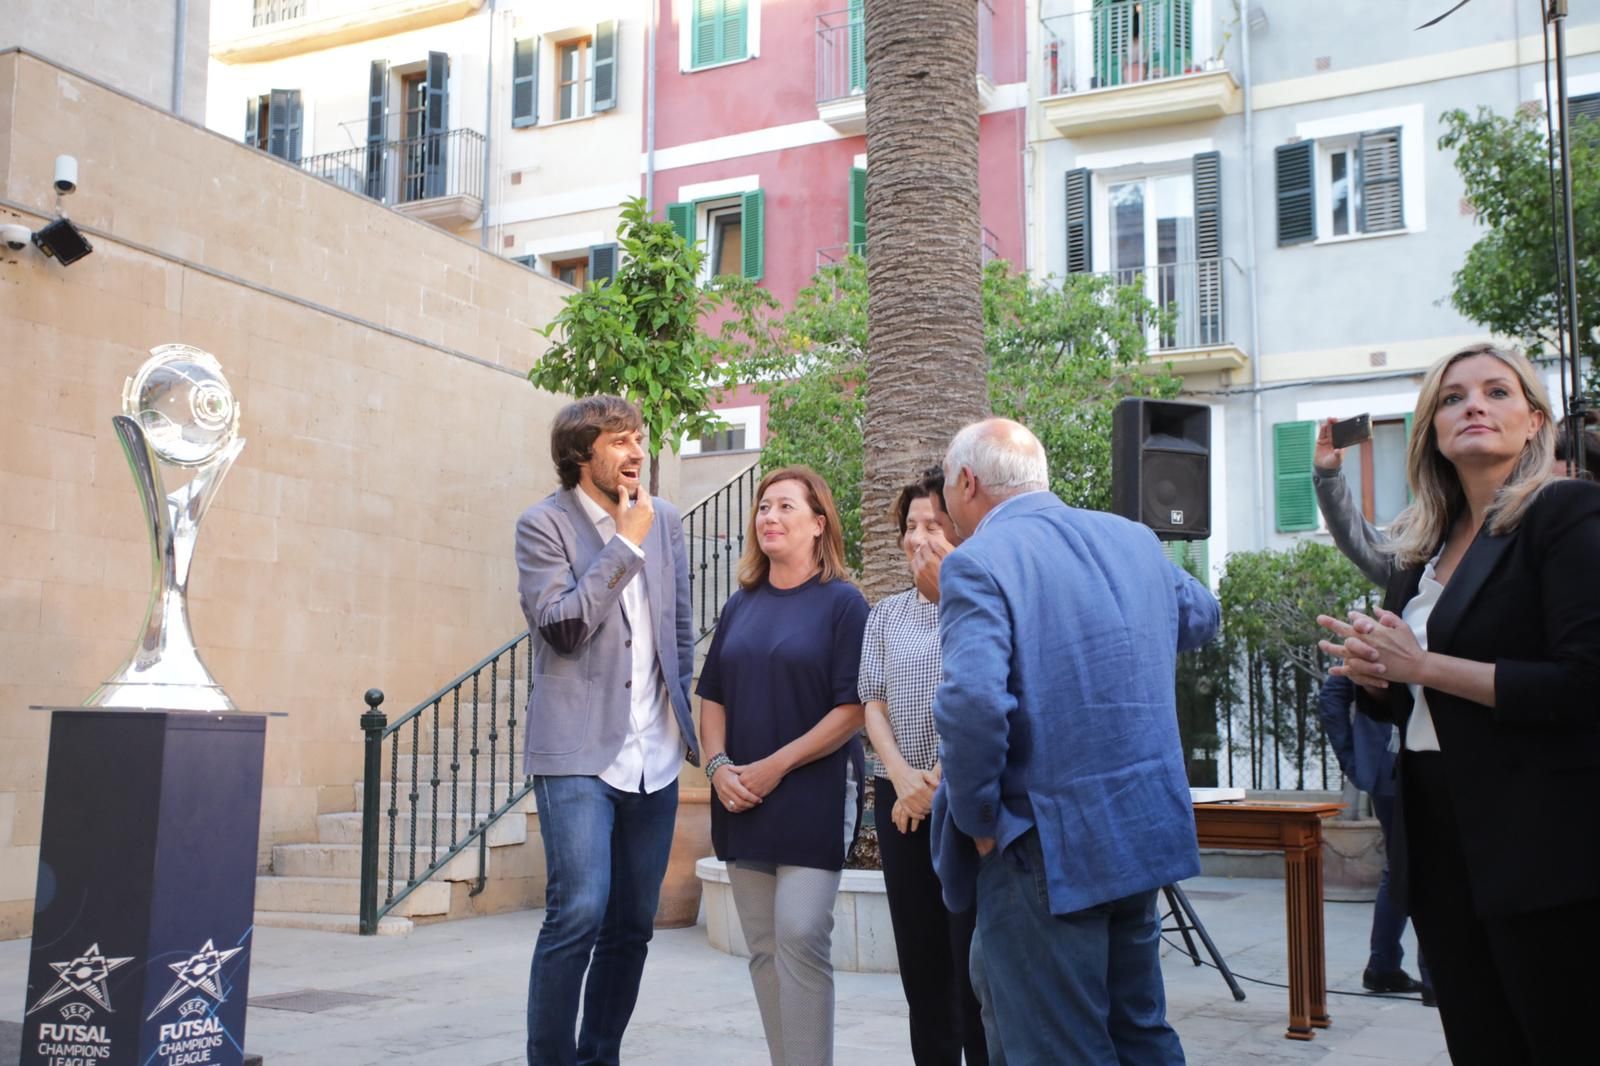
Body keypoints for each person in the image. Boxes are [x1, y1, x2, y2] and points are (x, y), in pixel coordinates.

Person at [1317, 343, 1600, 1064]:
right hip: (1438, 831)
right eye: (1452, 398)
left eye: (1497, 392)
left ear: (1535, 422)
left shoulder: (1566, 513)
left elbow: (1583, 683)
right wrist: (1379, 678)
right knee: (1479, 1041)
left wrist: (1426, 665)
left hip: (1540, 841)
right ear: (1433, 432)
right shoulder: (1423, 547)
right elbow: (1410, 703)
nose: (1473, 405)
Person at [930, 419, 1220, 1065]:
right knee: (1139, 1032)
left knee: (1058, 1047)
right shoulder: (1134, 540)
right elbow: (1203, 615)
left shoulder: (977, 560)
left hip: (1042, 842)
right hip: (1138, 833)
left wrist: (979, 819)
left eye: (948, 489)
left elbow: (973, 703)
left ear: (968, 483)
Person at [514, 396, 698, 1066]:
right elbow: (562, 628)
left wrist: (685, 719)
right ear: (580, 454)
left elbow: (676, 628)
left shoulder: (667, 520)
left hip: (657, 754)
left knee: (631, 925)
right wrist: (625, 544)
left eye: (639, 437)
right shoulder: (544, 526)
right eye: (618, 440)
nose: (635, 451)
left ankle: (600, 1055)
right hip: (578, 756)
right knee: (579, 912)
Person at [697, 465, 869, 1066]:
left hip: (814, 793)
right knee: (766, 947)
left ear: (819, 525)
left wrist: (774, 766)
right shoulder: (739, 604)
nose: (769, 517)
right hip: (741, 794)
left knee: (799, 935)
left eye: (785, 508)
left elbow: (852, 708)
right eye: (763, 507)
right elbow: (711, 694)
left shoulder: (844, 604)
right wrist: (719, 766)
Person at [859, 470, 986, 1066]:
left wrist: (934, 779)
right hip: (899, 802)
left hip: (962, 795)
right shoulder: (885, 614)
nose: (919, 537)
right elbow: (871, 701)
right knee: (920, 957)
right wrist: (904, 780)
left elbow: (980, 692)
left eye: (933, 523)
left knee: (971, 960)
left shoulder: (978, 603)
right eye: (910, 526)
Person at [1311, 420, 1433, 1003]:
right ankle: (1411, 972)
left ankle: (1394, 967)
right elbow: (1360, 538)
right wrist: (1329, 476)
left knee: (1415, 869)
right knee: (1411, 869)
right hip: (1402, 762)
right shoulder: (1416, 561)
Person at [1316, 673, 1432, 1001]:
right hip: (1394, 768)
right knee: (1425, 866)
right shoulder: (1384, 625)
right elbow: (1335, 690)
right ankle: (1431, 978)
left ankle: (1383, 967)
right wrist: (1352, 759)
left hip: (1421, 765)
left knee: (1402, 867)